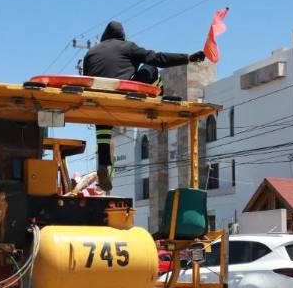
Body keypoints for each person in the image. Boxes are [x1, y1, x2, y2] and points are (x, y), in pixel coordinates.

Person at [82, 21, 206, 192]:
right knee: (152, 67)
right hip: (123, 93)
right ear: (122, 37)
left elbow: (86, 78)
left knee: (102, 126)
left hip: (97, 100)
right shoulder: (127, 47)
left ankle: (104, 163)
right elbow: (156, 58)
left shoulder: (90, 52)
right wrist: (187, 58)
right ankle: (160, 97)